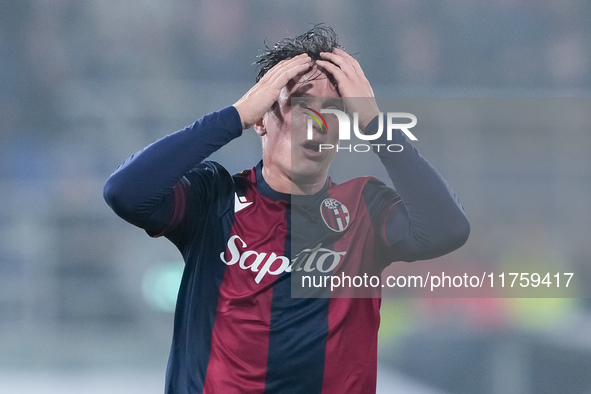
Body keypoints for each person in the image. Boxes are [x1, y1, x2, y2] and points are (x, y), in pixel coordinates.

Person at [104, 25, 469, 394]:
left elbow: (447, 229)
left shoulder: (363, 210)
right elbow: (126, 192)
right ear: (262, 117)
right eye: (301, 104)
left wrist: (375, 123)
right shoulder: (214, 198)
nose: (319, 123)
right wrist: (236, 116)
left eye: (334, 110)